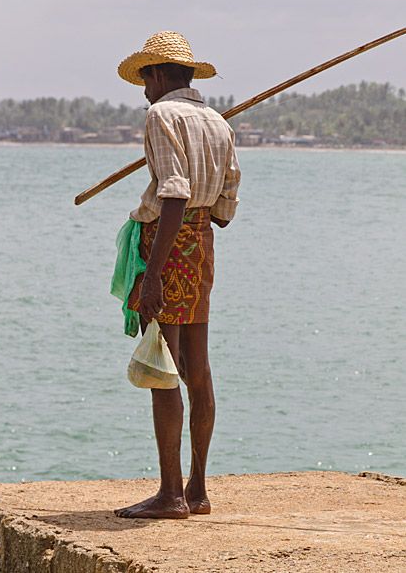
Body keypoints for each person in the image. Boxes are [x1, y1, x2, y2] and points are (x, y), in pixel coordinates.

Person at [114, 31, 240, 519]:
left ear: (161, 75)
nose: (143, 88)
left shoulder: (161, 114)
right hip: (203, 243)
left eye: (145, 77)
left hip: (167, 245)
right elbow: (225, 207)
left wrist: (153, 274)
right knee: (197, 367)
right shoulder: (218, 123)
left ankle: (169, 495)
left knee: (163, 366)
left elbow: (173, 194)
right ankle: (197, 490)